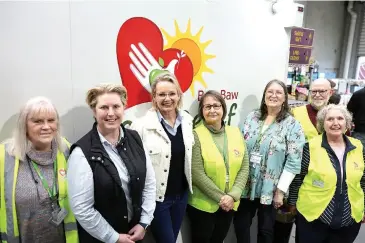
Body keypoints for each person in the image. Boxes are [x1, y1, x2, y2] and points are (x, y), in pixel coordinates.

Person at [67, 83, 156, 243]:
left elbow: (149, 184)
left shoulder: (135, 138)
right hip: (101, 239)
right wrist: (113, 237)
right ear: (94, 111)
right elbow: (82, 208)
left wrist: (144, 222)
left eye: (116, 106)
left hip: (135, 233)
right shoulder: (81, 152)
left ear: (124, 107)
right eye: (103, 108)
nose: (111, 113)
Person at [234, 79, 305, 243]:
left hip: (271, 187)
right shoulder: (252, 117)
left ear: (284, 98)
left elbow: (294, 161)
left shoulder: (292, 125)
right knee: (240, 225)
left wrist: (280, 191)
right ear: (264, 95)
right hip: (246, 182)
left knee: (265, 231)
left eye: (278, 92)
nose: (273, 95)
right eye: (270, 92)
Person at [0, 96, 79, 243]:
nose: (46, 127)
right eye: (37, 121)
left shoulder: (68, 151)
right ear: (24, 125)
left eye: (51, 120)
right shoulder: (5, 156)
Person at [131, 71, 194, 243]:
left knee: (172, 239)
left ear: (179, 95)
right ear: (154, 97)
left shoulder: (187, 121)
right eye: (162, 94)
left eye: (172, 93)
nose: (167, 98)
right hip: (158, 200)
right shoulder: (141, 126)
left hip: (181, 196)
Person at [288, 104, 365, 243]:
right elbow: (298, 178)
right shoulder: (310, 146)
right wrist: (292, 203)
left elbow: (363, 180)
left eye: (340, 118)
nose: (335, 123)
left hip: (349, 217)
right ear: (323, 123)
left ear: (347, 123)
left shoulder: (358, 147)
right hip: (312, 216)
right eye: (330, 119)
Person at [187, 90, 249, 243]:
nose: (212, 110)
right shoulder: (195, 135)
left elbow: (244, 166)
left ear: (223, 109)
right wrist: (222, 198)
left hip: (229, 204)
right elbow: (196, 173)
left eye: (216, 106)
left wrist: (233, 195)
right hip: (203, 206)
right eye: (207, 107)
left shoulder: (235, 132)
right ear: (202, 111)